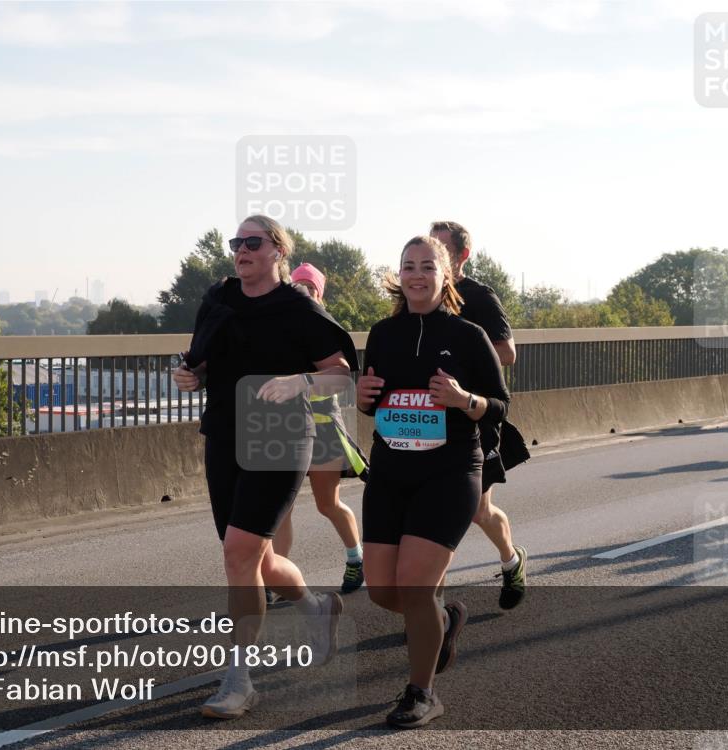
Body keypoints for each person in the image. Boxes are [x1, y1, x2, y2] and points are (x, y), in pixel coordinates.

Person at [174, 215, 359, 720]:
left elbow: (342, 375)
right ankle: (317, 608)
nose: (241, 249)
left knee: (239, 554)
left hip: (282, 438)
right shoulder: (218, 299)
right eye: (237, 242)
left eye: (252, 242)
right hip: (225, 435)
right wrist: (190, 376)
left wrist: (302, 381)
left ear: (278, 250)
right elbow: (202, 361)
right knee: (254, 560)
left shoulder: (298, 307)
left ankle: (239, 681)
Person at [357, 235, 510, 727]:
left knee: (416, 587)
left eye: (427, 266)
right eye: (409, 266)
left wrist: (464, 400)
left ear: (445, 276)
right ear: (398, 275)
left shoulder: (468, 335)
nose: (417, 275)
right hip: (390, 471)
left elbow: (500, 406)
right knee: (383, 591)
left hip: (449, 473)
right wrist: (363, 396)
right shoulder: (382, 333)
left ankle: (421, 692)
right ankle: (443, 621)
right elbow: (373, 403)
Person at [429, 221, 527, 610]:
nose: (434, 254)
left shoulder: (479, 297)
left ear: (463, 255)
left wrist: (464, 359)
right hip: (430, 418)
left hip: (475, 416)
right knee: (435, 511)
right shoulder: (423, 295)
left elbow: (508, 353)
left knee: (477, 511)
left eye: (442, 248)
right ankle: (430, 610)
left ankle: (511, 560)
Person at [271, 263, 368, 597]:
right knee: (282, 509)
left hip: (323, 429)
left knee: (327, 504)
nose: (303, 291)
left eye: (310, 287)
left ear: (320, 294)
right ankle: (276, 577)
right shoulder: (282, 326)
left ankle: (356, 557)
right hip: (287, 429)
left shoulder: (324, 328)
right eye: (297, 285)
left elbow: (337, 379)